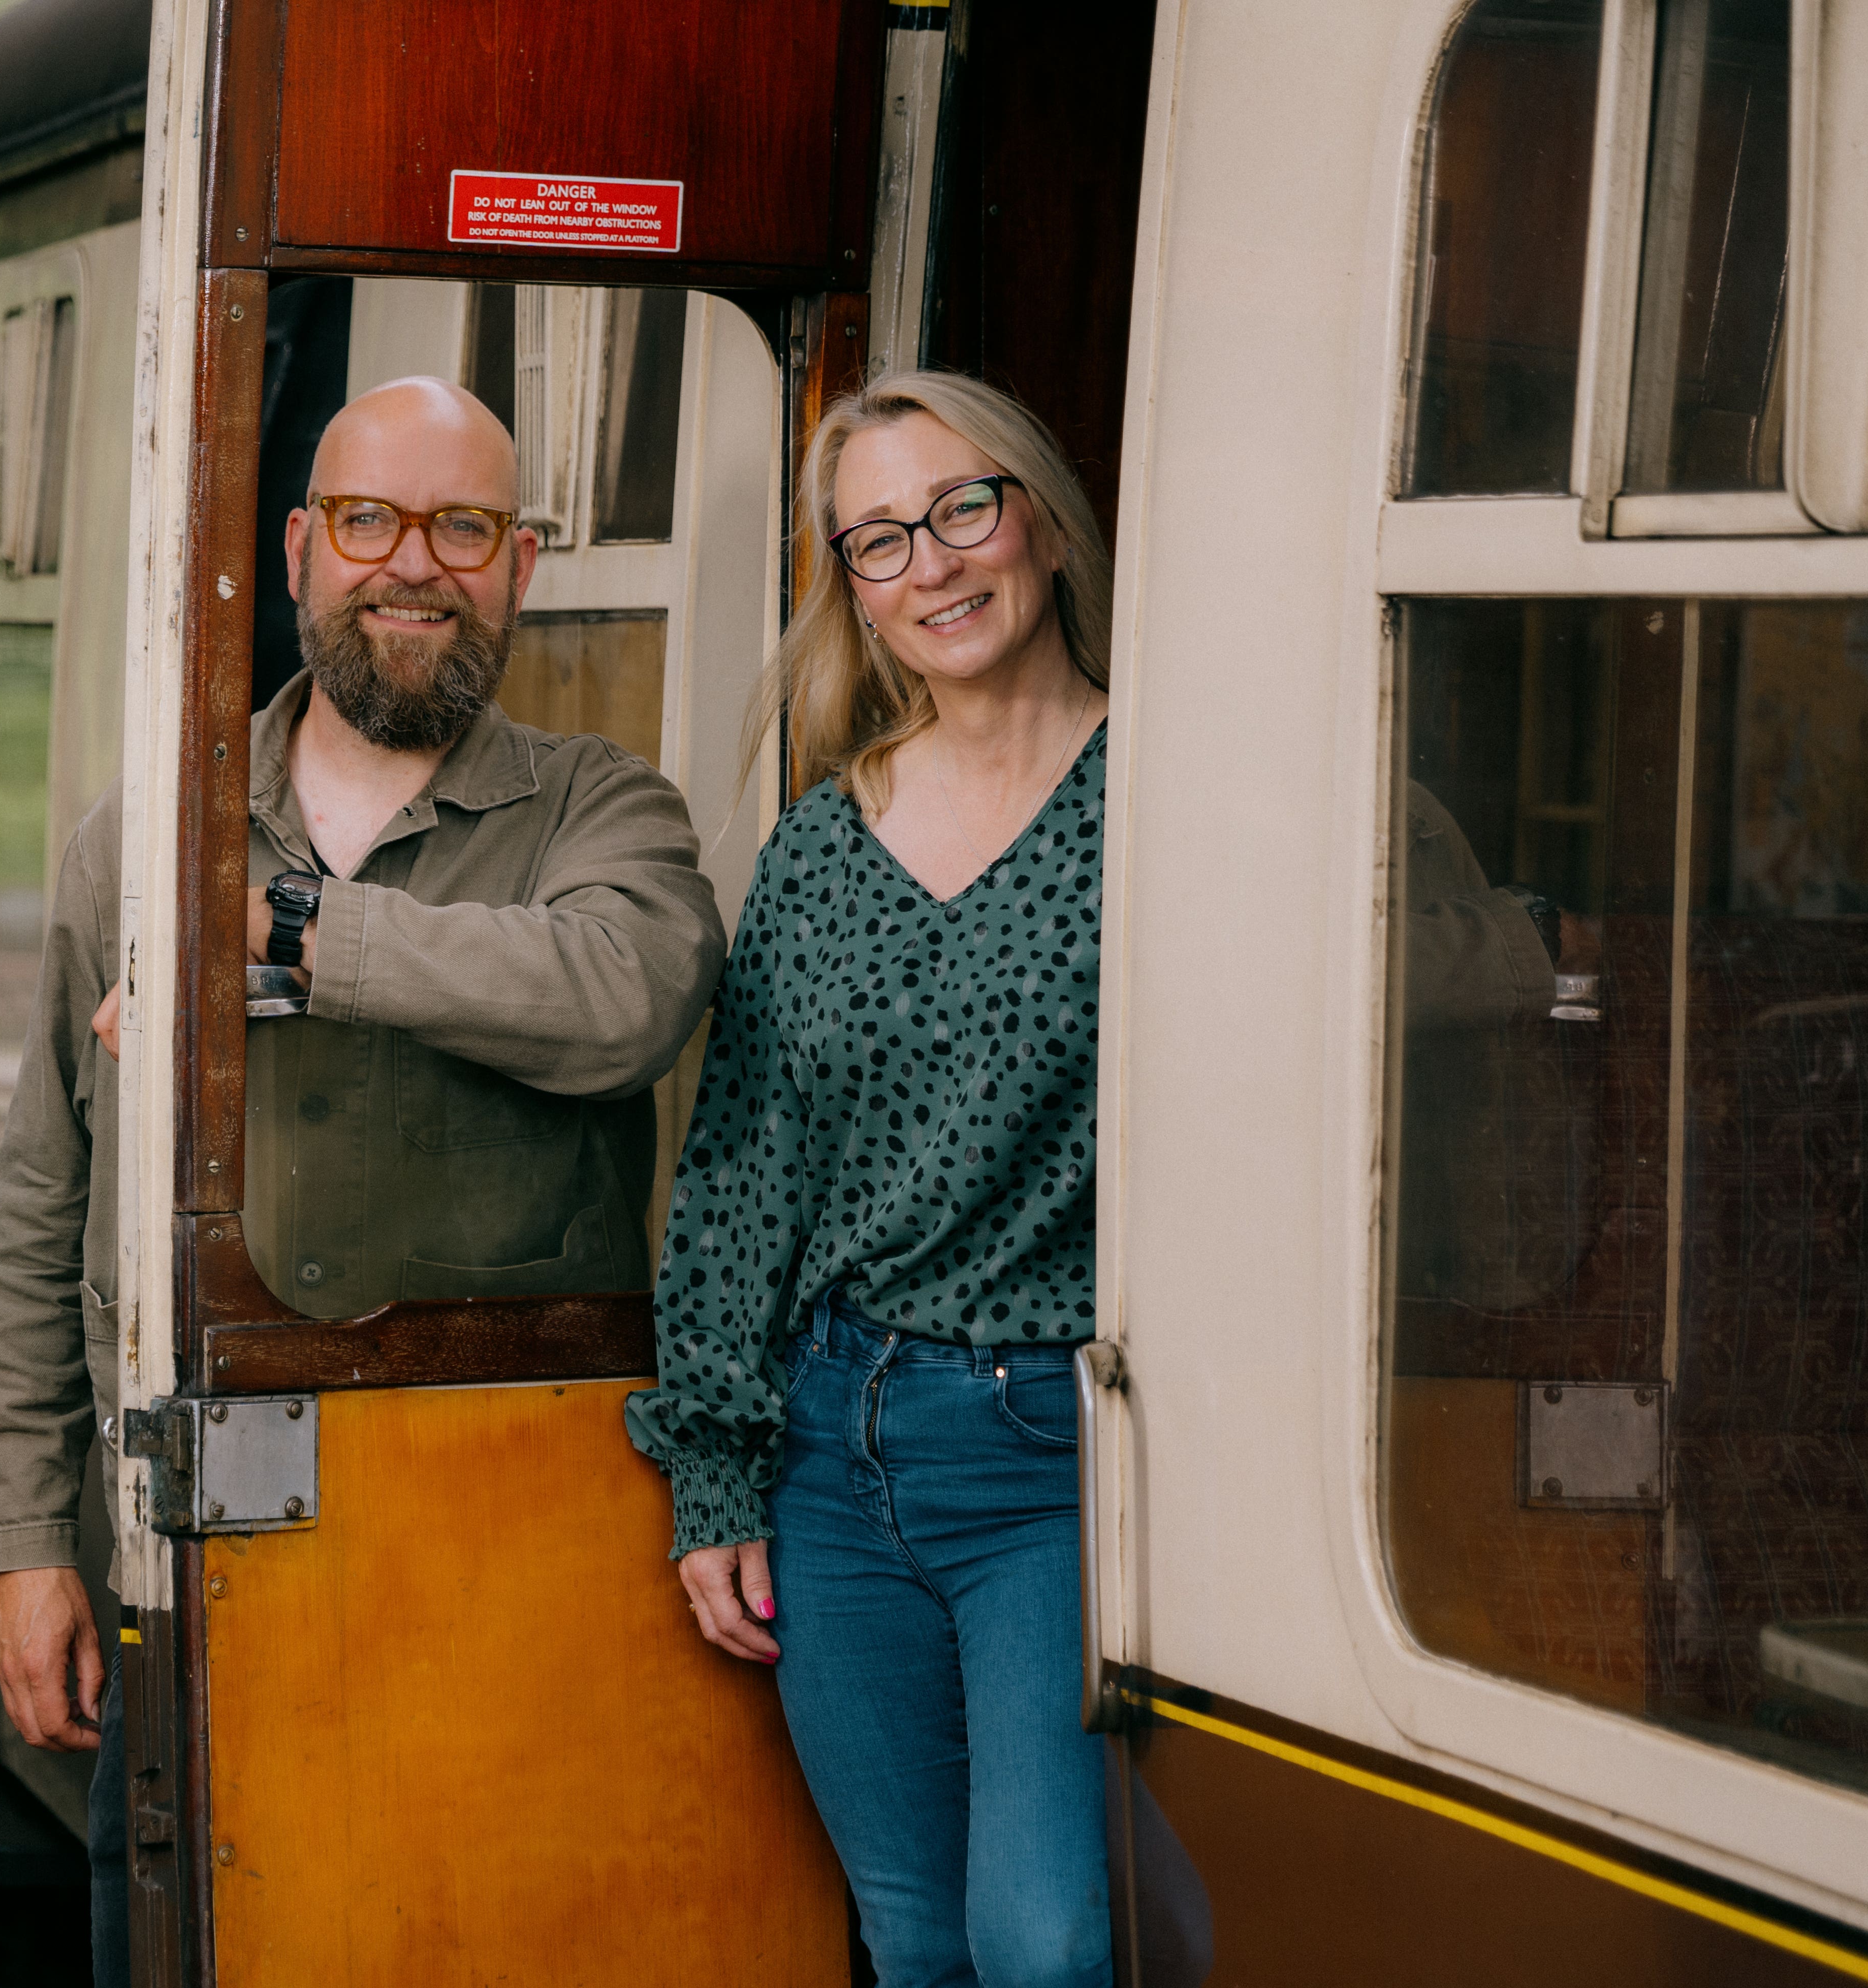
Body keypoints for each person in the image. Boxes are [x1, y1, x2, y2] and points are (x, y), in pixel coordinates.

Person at [0, 376, 725, 1984]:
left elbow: (621, 999)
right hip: (202, 1563)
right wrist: (28, 1541)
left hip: (521, 1567)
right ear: (302, 550)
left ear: (520, 564)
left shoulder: (606, 810)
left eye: (464, 527)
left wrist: (287, 940)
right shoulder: (145, 844)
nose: (414, 566)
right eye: (371, 521)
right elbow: (44, 1213)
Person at [625, 369, 1115, 1988]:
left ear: (1037, 517)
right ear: (852, 587)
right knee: (914, 1941)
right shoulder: (828, 844)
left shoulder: (1168, 797)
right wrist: (716, 1476)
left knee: (1043, 1944)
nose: (937, 564)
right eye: (881, 540)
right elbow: (747, 1170)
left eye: (964, 507)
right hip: (834, 1450)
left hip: (1052, 1447)